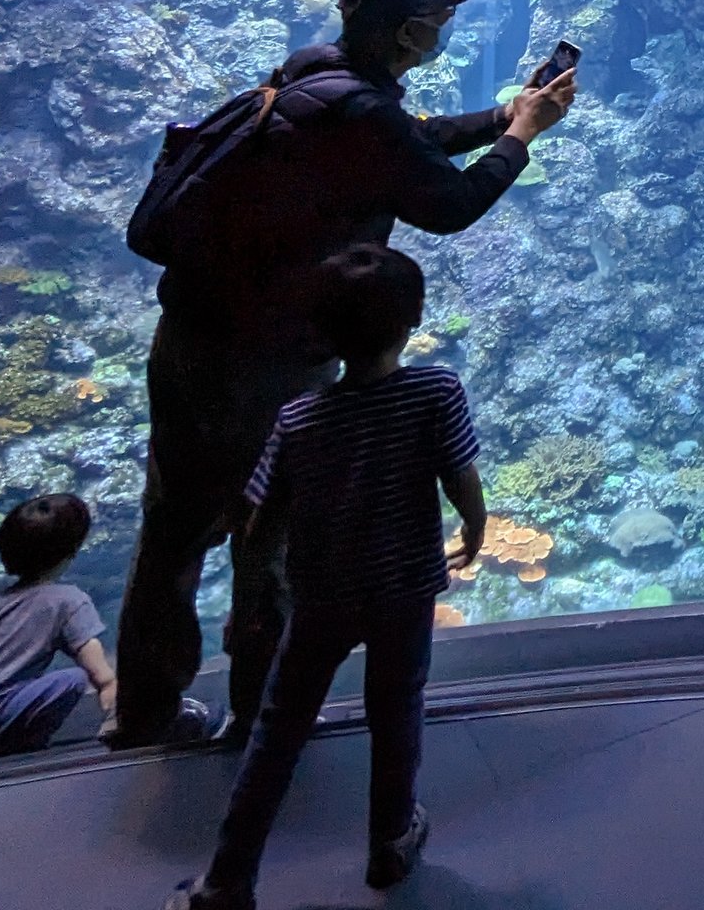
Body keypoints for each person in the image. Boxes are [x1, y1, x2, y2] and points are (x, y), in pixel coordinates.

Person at [109, 0, 571, 750]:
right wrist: (522, 139)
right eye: (441, 16)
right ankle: (259, 713)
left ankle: (145, 707)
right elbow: (448, 203)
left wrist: (501, 116)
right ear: (407, 30)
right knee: (272, 534)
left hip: (190, 336)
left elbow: (412, 141)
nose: (449, 26)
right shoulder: (363, 117)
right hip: (274, 360)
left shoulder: (309, 77)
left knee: (174, 525)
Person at [169, 245, 484, 910]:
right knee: (397, 710)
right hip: (404, 589)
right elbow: (460, 475)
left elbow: (262, 519)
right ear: (416, 316)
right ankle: (391, 839)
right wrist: (476, 530)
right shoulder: (436, 391)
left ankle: (226, 879)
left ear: (319, 331)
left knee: (279, 729)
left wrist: (254, 594)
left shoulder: (300, 416)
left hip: (320, 596)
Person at [0, 493, 118, 760]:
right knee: (73, 680)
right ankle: (29, 749)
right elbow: (97, 669)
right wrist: (109, 689)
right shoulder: (69, 600)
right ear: (72, 551)